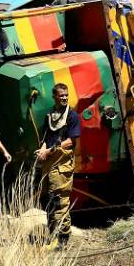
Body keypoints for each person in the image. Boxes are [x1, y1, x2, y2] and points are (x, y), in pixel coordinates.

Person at [34, 83, 80, 249]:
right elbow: (46, 138)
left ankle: (62, 240)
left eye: (66, 95)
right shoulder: (50, 115)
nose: (65, 98)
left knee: (59, 202)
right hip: (48, 164)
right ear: (54, 97)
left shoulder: (72, 116)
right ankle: (53, 235)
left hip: (62, 165)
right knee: (47, 200)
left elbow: (71, 141)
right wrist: (42, 150)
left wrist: (49, 151)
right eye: (61, 95)